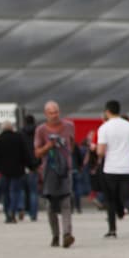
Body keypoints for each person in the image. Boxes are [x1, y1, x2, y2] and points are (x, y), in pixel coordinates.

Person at [97, 100, 129, 240]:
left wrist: (98, 152)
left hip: (110, 168)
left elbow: (101, 151)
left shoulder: (104, 128)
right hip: (126, 168)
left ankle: (112, 229)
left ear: (107, 111)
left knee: (110, 199)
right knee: (127, 197)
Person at [34, 102, 76, 248]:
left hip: (65, 171)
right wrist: (48, 146)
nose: (54, 115)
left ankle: (67, 234)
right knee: (51, 205)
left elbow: (72, 144)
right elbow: (37, 152)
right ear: (46, 114)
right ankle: (55, 235)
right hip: (48, 171)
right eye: (51, 113)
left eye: (56, 112)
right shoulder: (41, 130)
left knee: (66, 202)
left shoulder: (69, 126)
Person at [0, 120, 33, 225]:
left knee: (6, 193)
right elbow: (26, 153)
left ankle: (7, 215)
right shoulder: (19, 138)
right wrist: (28, 165)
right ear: (12, 128)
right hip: (17, 170)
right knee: (15, 192)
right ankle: (13, 212)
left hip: (4, 171)